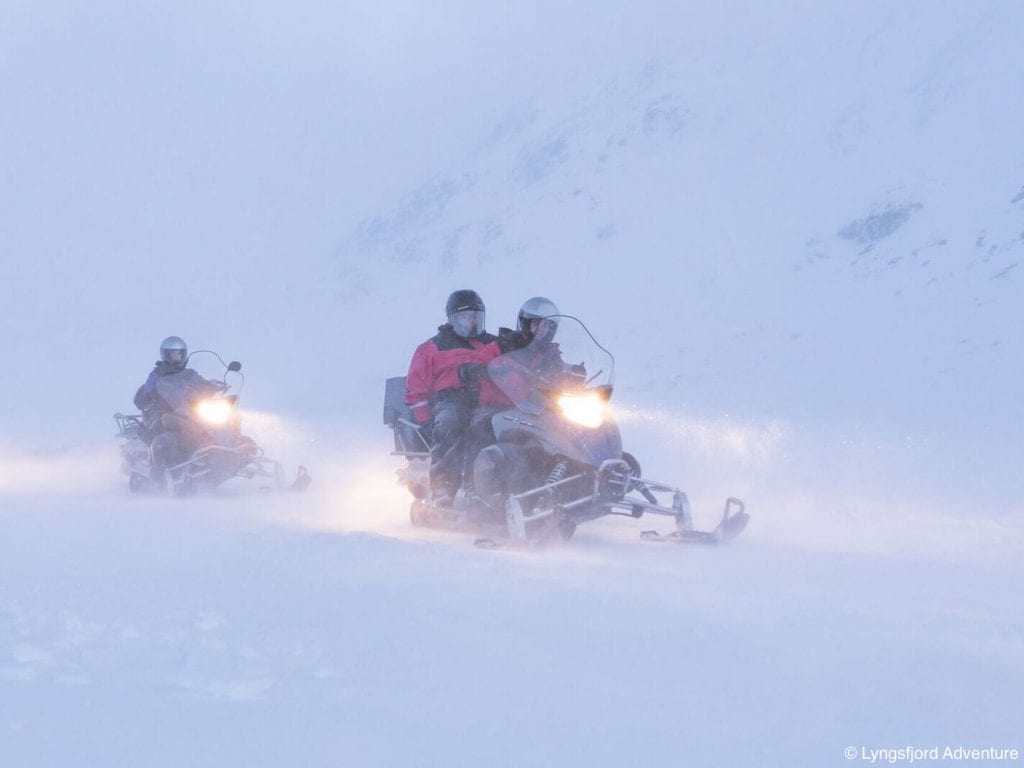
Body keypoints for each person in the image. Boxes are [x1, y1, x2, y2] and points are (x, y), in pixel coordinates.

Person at [405, 290, 529, 508]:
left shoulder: (494, 343)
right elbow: (416, 387)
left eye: (475, 317)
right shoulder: (433, 347)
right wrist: (425, 421)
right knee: (451, 421)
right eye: (464, 317)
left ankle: (515, 484)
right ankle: (444, 487)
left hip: (488, 399)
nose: (470, 322)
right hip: (449, 400)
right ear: (451, 319)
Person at [134, 336, 225, 484]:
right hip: (163, 410)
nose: (177, 357)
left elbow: (201, 383)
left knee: (217, 421)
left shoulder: (190, 373)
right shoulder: (157, 373)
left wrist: (213, 386)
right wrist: (149, 393)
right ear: (165, 354)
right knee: (159, 430)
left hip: (185, 411)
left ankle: (224, 450)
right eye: (173, 353)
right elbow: (147, 389)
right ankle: (157, 468)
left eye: (180, 353)